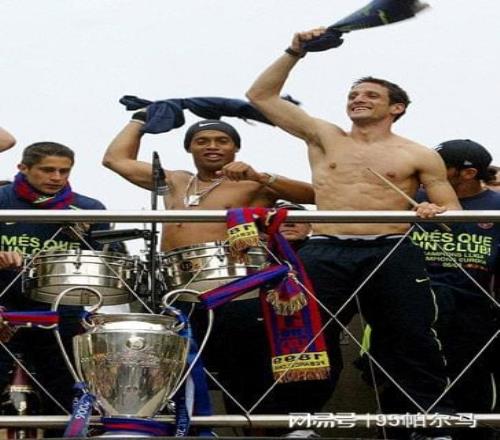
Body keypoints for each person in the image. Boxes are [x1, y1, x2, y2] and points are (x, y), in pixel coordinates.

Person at [246, 28, 462, 439]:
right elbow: (261, 96)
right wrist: (295, 51)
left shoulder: (418, 153)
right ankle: (298, 422)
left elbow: (451, 210)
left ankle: (429, 422)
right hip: (327, 248)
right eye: (353, 94)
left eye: (371, 95)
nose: (358, 99)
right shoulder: (324, 136)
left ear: (396, 107)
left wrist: (433, 209)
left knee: (409, 336)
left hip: (390, 249)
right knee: (307, 335)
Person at [103, 117, 316, 415]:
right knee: (174, 372)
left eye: (222, 141)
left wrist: (262, 176)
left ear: (235, 148)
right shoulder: (176, 180)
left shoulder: (252, 183)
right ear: (189, 148)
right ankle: (185, 432)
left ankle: (260, 431)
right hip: (178, 293)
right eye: (202, 141)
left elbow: (317, 194)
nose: (212, 146)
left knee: (244, 374)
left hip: (235, 292)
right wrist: (139, 119)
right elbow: (115, 160)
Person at [0, 141, 113, 417]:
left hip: (62, 311)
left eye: (64, 171)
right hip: (4, 307)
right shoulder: (2, 200)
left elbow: (106, 263)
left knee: (66, 394)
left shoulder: (87, 209)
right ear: (23, 168)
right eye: (47, 170)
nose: (56, 177)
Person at [411, 139, 500, 440]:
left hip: (474, 301)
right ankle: (422, 429)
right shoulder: (414, 199)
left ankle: (474, 431)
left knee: (472, 371)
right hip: (419, 299)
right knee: (418, 367)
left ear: (468, 173)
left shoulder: (496, 205)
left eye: (440, 166)